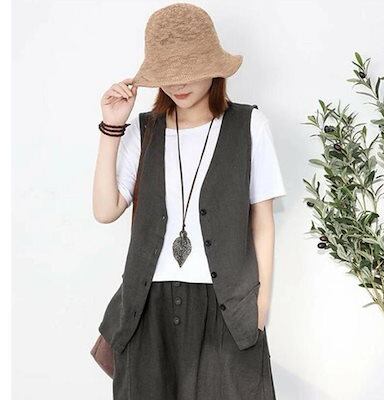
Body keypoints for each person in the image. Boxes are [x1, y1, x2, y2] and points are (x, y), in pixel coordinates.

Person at [93, 3, 286, 399]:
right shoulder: (145, 130)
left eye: (189, 69)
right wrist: (112, 126)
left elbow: (262, 221)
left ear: (214, 67)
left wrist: (262, 304)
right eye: (167, 73)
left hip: (225, 303)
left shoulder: (249, 125)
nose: (178, 83)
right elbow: (105, 210)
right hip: (148, 303)